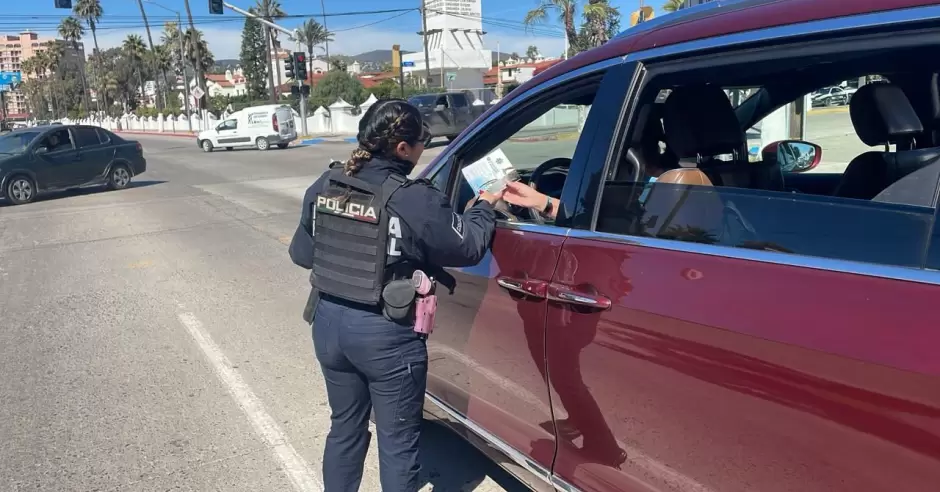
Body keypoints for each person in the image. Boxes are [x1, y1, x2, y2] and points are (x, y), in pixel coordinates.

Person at [288, 98, 503, 492]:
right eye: (422, 142)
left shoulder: (327, 183)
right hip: (385, 337)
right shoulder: (411, 197)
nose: (424, 149)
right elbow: (468, 246)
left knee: (345, 428)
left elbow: (302, 254)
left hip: (328, 324)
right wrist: (484, 207)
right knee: (399, 445)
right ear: (403, 148)